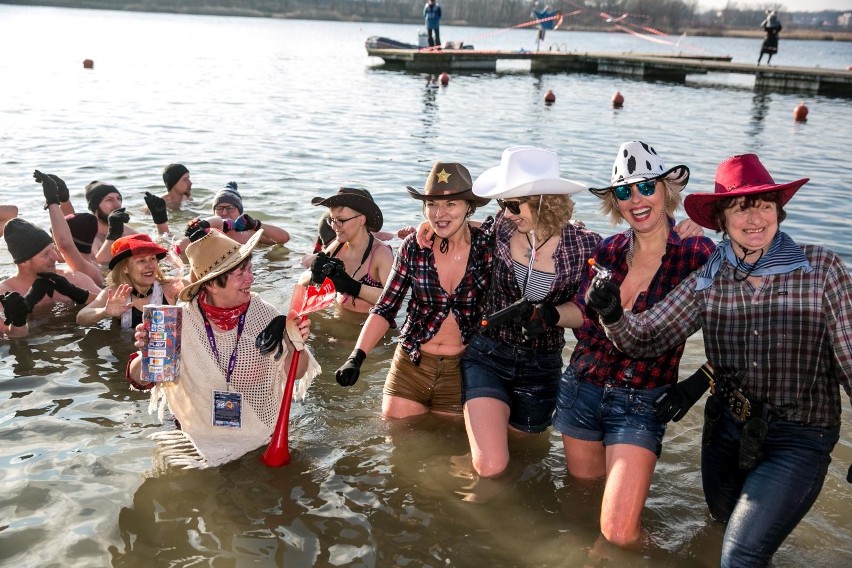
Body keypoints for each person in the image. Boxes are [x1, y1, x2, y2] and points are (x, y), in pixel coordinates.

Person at [586, 153, 852, 566]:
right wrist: (613, 314)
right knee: (721, 526)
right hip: (725, 430)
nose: (754, 218)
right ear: (722, 221)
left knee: (740, 554)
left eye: (764, 205)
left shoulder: (822, 269)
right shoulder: (711, 277)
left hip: (800, 437)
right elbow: (647, 336)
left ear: (779, 211)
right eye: (740, 207)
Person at [551, 141, 715, 546]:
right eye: (625, 191)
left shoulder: (697, 251)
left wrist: (702, 380)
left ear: (666, 191)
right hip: (582, 389)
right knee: (584, 506)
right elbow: (586, 314)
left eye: (646, 187)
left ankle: (677, 556)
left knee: (620, 533)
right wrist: (546, 315)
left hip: (641, 402)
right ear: (615, 202)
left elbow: (737, 323)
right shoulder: (609, 249)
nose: (636, 200)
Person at [125, 227, 320, 469]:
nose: (250, 279)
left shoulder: (266, 315)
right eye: (240, 273)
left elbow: (296, 373)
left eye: (249, 269)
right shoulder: (175, 323)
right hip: (197, 435)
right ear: (212, 285)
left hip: (259, 433)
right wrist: (147, 354)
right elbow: (142, 381)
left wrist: (294, 344)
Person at [460, 146, 599, 478]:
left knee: (523, 460)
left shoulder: (585, 246)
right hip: (487, 355)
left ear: (543, 201)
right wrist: (418, 231)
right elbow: (462, 230)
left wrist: (549, 316)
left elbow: (587, 310)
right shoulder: (501, 229)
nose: (506, 214)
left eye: (512, 205)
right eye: (501, 205)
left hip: (542, 366)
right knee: (491, 465)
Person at [334, 162, 492, 419]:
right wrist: (357, 356)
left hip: (463, 370)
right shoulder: (414, 247)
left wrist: (459, 224)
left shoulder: (488, 246)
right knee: (398, 445)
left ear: (469, 206)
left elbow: (526, 229)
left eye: (451, 204)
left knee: (448, 448)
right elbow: (386, 307)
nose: (439, 213)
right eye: (431, 205)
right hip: (411, 363)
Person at [1, 217, 100, 337]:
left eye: (53, 249)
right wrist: (21, 315)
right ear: (23, 262)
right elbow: (10, 340)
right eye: (46, 254)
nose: (55, 257)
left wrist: (78, 294)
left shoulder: (73, 278)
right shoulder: (4, 295)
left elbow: (116, 304)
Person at [308, 187, 394, 314]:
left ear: (361, 220)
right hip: (337, 324)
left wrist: (352, 286)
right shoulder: (337, 247)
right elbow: (304, 282)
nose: (333, 226)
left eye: (341, 220)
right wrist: (314, 277)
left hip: (366, 328)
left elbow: (393, 299)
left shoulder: (381, 253)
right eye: (332, 219)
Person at [77, 234, 183, 328]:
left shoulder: (170, 287)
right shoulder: (115, 293)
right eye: (141, 260)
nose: (150, 266)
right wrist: (104, 312)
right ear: (125, 268)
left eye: (152, 258)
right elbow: (81, 318)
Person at [37, 171, 104, 286]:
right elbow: (76, 229)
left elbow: (64, 244)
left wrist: (52, 200)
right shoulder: (89, 258)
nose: (53, 242)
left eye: (54, 237)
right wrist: (64, 199)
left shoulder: (85, 269)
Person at [85, 180, 138, 265]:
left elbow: (155, 252)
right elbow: (97, 267)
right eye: (109, 200)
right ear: (95, 206)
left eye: (119, 198)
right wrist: (114, 234)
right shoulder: (90, 237)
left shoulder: (128, 232)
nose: (117, 204)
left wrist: (160, 220)